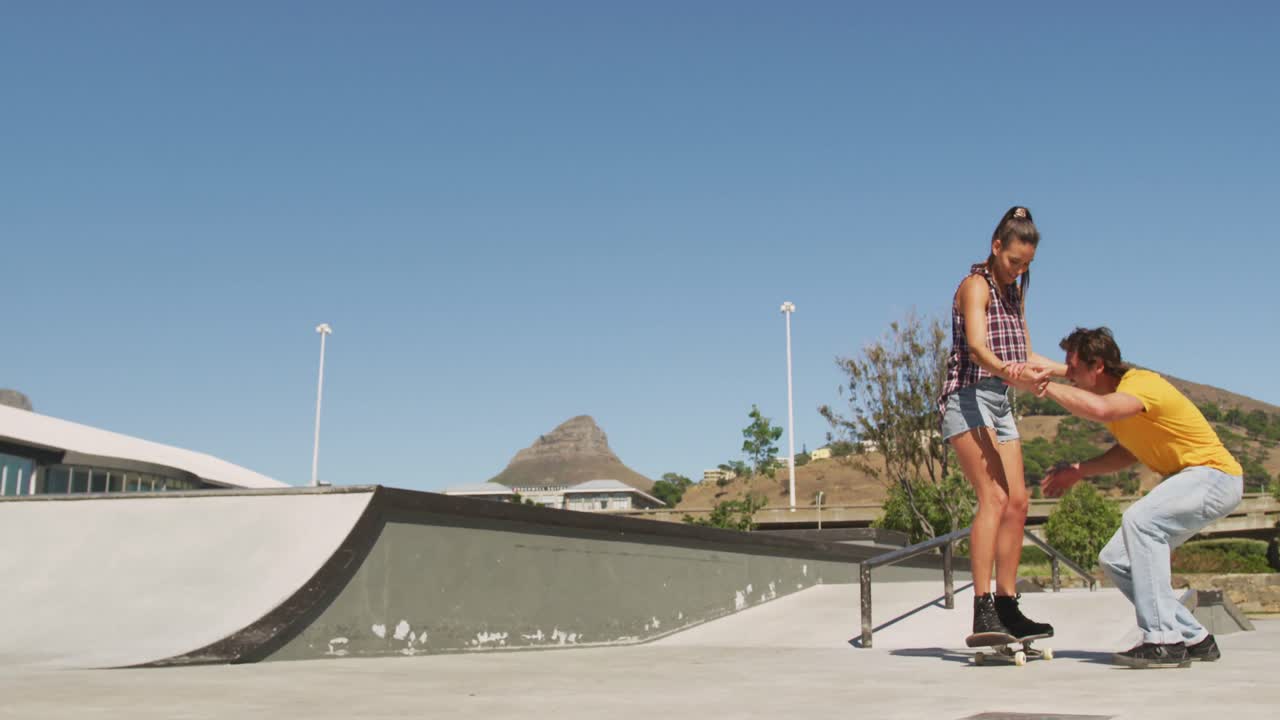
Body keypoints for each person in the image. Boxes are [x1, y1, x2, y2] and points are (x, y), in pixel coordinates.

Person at [1013, 327, 1243, 668]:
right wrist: (1079, 470)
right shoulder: (1119, 397)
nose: (1070, 374)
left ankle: (1162, 640)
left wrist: (1044, 387)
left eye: (1073, 367)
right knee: (1116, 558)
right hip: (1195, 481)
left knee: (1141, 521)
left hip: (1213, 475)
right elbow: (1126, 453)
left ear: (1098, 366)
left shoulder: (1140, 385)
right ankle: (1194, 636)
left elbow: (1102, 410)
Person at [938, 205, 1064, 640]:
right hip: (967, 397)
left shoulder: (1015, 294)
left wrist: (1081, 371)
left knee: (1019, 501)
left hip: (1000, 402)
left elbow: (1027, 356)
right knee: (992, 496)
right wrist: (1009, 372)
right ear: (996, 247)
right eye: (1014, 262)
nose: (1019, 270)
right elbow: (976, 347)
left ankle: (1009, 607)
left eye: (1027, 264)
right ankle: (982, 607)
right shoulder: (976, 286)